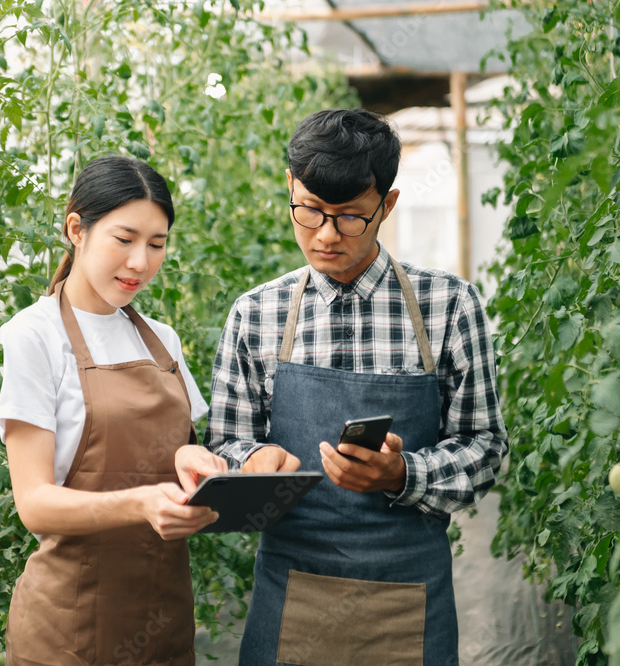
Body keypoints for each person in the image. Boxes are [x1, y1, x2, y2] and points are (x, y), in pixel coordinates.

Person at [199, 109, 509, 665]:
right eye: (308, 210)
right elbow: (224, 442)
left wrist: (404, 472)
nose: (324, 234)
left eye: (348, 218)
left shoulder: (448, 307)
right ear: (291, 187)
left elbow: (485, 448)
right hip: (292, 585)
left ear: (386, 205)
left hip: (408, 593)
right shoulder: (256, 315)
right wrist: (256, 461)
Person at [0, 155, 227, 665]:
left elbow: (175, 451)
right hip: (69, 630)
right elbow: (34, 503)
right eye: (124, 240)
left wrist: (194, 463)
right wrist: (140, 503)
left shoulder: (162, 341)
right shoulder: (34, 336)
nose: (140, 262)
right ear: (76, 229)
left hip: (162, 619)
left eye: (157, 244)